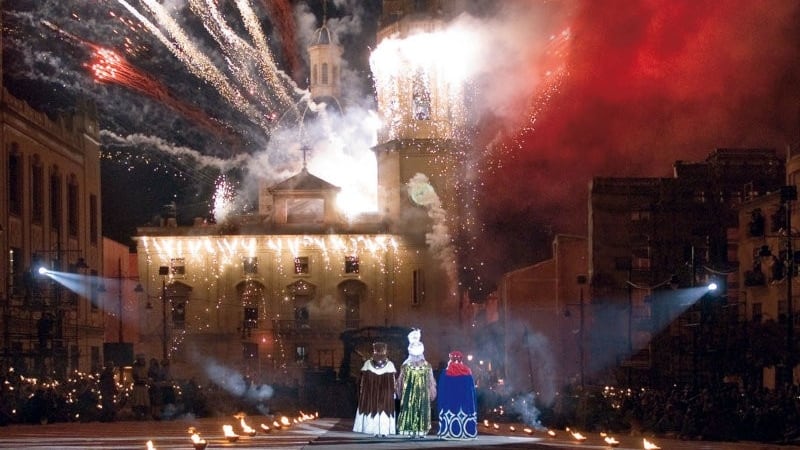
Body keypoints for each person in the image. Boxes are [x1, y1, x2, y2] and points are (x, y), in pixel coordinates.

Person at [396, 328, 436, 438]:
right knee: (421, 408)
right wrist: (431, 393)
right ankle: (421, 430)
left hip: (409, 394)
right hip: (423, 394)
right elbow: (431, 382)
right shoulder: (427, 366)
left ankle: (410, 429)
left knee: (410, 408)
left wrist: (399, 393)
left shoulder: (406, 366)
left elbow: (400, 382)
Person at [353, 342, 397, 437]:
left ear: (374, 351)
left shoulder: (368, 364)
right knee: (384, 410)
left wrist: (362, 392)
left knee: (374, 408)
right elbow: (393, 382)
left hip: (372, 394)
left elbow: (362, 381)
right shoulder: (389, 365)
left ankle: (372, 429)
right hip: (384, 394)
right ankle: (383, 431)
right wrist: (393, 392)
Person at [437, 350, 478, 439]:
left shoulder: (446, 372)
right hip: (464, 400)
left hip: (450, 400)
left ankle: (450, 433)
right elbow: (471, 389)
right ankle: (466, 433)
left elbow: (442, 389)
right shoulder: (467, 371)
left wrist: (441, 401)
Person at [131, 354, 150, 420]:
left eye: (143, 360)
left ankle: (144, 415)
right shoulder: (135, 368)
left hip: (144, 387)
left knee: (145, 401)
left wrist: (146, 380)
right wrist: (141, 380)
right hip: (138, 387)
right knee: (138, 401)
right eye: (141, 360)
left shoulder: (145, 368)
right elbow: (135, 377)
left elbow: (147, 376)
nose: (142, 361)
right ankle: (138, 415)